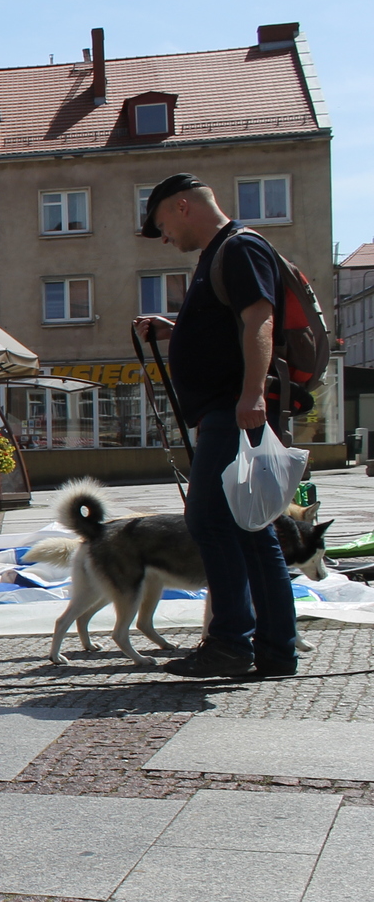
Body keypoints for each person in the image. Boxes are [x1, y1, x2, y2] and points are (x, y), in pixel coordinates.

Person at [135, 172, 299, 678]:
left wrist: (252, 394)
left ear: (183, 206)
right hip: (227, 409)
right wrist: (176, 328)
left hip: (233, 409)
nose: (165, 237)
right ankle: (274, 649)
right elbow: (228, 328)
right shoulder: (218, 255)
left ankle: (230, 640)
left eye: (163, 224)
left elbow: (259, 320)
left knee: (210, 520)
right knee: (251, 530)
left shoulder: (239, 247)